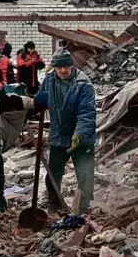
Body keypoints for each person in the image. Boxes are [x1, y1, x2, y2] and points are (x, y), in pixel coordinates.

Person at [38, 49, 96, 213]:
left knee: (84, 172)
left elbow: (86, 114)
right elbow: (41, 99)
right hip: (58, 135)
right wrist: (36, 103)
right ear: (54, 67)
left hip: (81, 136)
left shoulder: (83, 84)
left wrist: (79, 134)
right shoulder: (49, 80)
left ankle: (83, 207)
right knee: (53, 173)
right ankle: (54, 203)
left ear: (72, 66)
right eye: (59, 67)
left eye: (66, 66)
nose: (63, 70)